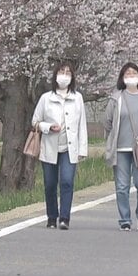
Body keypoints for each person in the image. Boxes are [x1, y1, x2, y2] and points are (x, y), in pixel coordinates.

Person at [31, 62, 88, 230]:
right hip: (49, 146)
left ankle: (64, 217)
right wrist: (48, 127)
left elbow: (81, 125)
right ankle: (51, 216)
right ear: (55, 76)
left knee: (67, 182)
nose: (64, 75)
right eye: (61, 72)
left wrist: (82, 149)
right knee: (50, 184)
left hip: (69, 148)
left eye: (68, 73)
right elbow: (35, 122)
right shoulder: (46, 98)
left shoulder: (77, 98)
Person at [104, 62, 138, 232]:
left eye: (134, 73)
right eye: (127, 73)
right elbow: (107, 122)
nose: (131, 76)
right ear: (122, 78)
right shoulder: (116, 98)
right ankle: (124, 219)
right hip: (120, 149)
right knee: (122, 186)